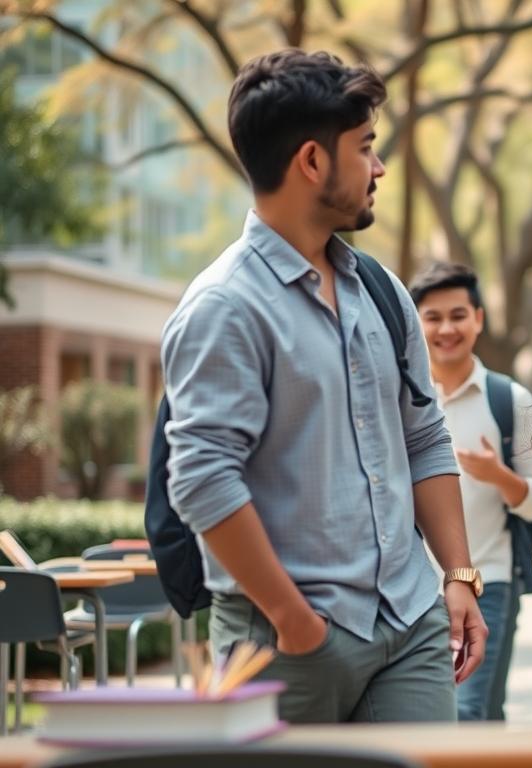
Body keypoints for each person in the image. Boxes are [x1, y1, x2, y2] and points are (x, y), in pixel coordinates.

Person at [161, 50, 486, 724]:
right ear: (312, 161)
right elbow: (202, 479)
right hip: (284, 640)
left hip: (410, 625)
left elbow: (423, 437)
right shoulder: (225, 306)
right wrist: (293, 621)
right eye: (365, 147)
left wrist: (455, 575)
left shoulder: (381, 290)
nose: (379, 167)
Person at [409, 261, 532, 722]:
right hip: (408, 587)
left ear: (479, 319)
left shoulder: (511, 400)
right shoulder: (400, 398)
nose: (446, 328)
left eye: (458, 315)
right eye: (433, 317)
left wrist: (499, 476)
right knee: (428, 718)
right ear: (415, 321)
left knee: (469, 713)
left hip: (489, 582)